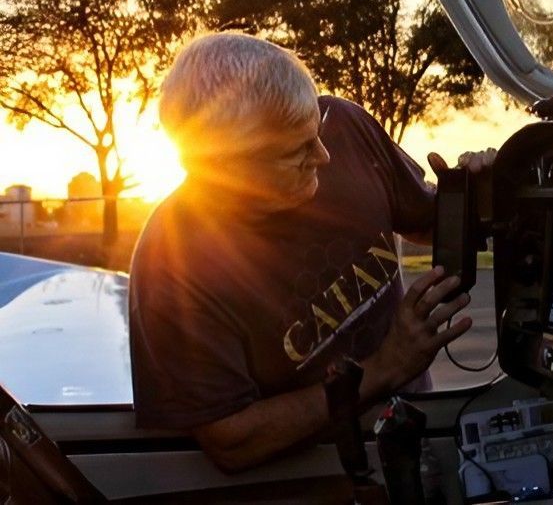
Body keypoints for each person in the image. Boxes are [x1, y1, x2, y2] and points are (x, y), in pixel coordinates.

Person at [129, 32, 486, 473]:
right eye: (297, 150)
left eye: (315, 130)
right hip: (319, 474)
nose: (323, 154)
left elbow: (427, 222)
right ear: (221, 167)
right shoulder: (174, 264)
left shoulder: (347, 128)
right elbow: (232, 441)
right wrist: (385, 367)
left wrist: (480, 193)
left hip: (419, 440)